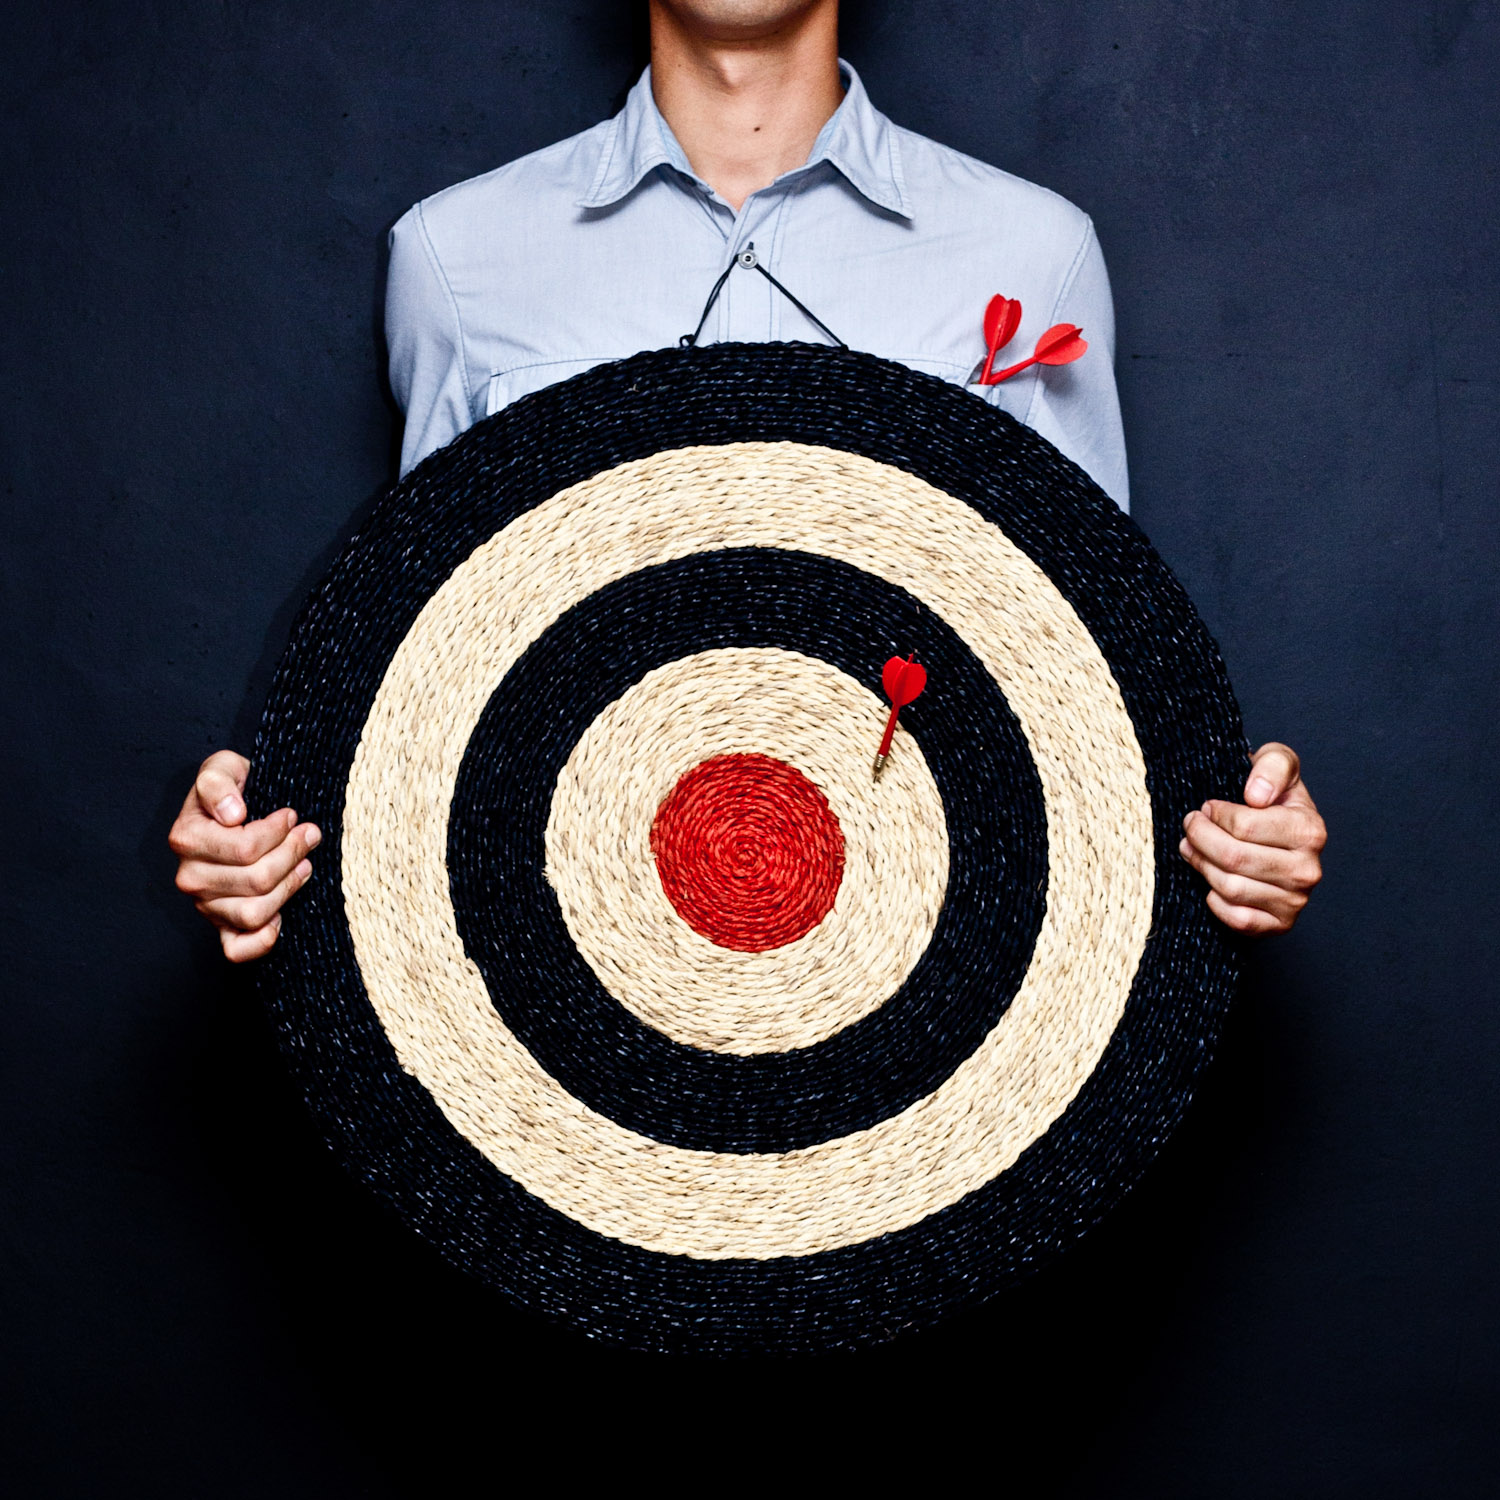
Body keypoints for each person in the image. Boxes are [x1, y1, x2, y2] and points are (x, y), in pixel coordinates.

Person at [169, 0, 1325, 961]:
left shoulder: (1035, 257)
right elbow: (427, 700)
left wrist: (1240, 843)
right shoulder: (455, 262)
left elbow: (1091, 702)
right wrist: (261, 845)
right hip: (586, 974)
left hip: (924, 970)